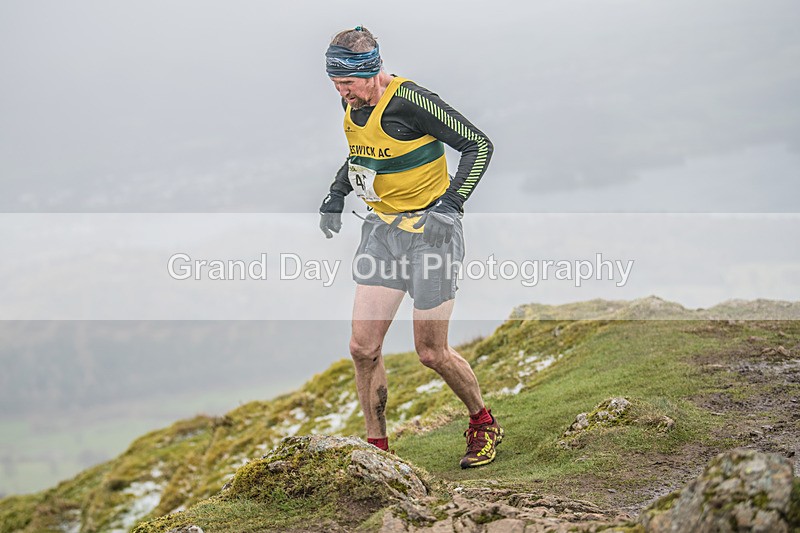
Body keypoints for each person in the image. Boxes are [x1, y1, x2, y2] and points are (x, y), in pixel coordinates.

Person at [318, 26, 501, 468]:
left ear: (372, 71)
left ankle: (483, 422)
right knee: (363, 348)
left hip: (432, 235)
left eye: (348, 84)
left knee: (431, 353)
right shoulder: (353, 102)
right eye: (336, 85)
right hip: (382, 233)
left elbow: (479, 144)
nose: (343, 94)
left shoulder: (411, 101)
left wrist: (451, 205)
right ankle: (377, 450)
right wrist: (336, 194)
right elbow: (363, 151)